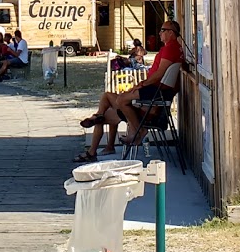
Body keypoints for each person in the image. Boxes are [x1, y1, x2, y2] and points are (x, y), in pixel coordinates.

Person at [76, 20, 184, 162]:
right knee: (107, 98)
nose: (160, 33)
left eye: (163, 30)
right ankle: (102, 127)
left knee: (117, 102)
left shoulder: (171, 48)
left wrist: (141, 84)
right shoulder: (172, 48)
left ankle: (137, 132)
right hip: (154, 94)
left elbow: (160, 74)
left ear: (171, 32)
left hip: (154, 95)